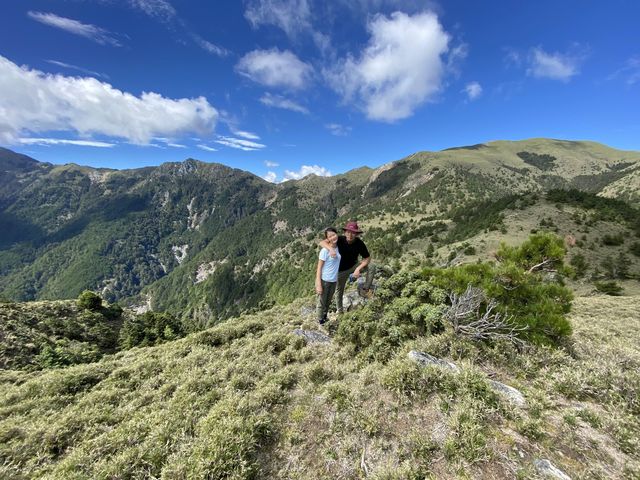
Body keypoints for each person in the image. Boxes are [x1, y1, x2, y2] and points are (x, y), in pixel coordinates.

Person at [319, 221, 374, 314]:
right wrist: (331, 249)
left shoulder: (359, 243)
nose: (350, 234)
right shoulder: (339, 239)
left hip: (353, 266)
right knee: (339, 291)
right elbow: (322, 242)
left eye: (353, 232)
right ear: (345, 232)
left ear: (356, 234)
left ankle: (365, 290)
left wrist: (358, 269)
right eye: (348, 232)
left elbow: (367, 258)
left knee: (372, 267)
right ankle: (340, 311)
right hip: (341, 271)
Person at [315, 227, 341, 325]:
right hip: (324, 280)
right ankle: (320, 322)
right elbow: (319, 268)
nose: (333, 237)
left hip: (333, 280)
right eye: (330, 236)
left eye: (334, 234)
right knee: (321, 303)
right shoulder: (325, 251)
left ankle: (325, 318)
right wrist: (318, 284)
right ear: (327, 239)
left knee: (328, 301)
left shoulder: (339, 247)